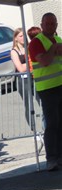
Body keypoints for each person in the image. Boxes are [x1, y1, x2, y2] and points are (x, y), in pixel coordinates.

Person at [28, 12, 62, 171]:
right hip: (47, 89)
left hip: (60, 85)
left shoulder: (59, 39)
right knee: (52, 123)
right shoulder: (36, 42)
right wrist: (54, 49)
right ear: (41, 25)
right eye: (47, 23)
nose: (50, 26)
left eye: (53, 23)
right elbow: (46, 61)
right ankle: (52, 158)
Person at [10, 28, 33, 128]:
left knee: (42, 101)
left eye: (24, 35)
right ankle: (33, 128)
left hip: (34, 77)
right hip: (22, 81)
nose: (23, 38)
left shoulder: (30, 47)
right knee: (29, 104)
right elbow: (20, 68)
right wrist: (32, 64)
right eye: (20, 36)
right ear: (15, 38)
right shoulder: (14, 51)